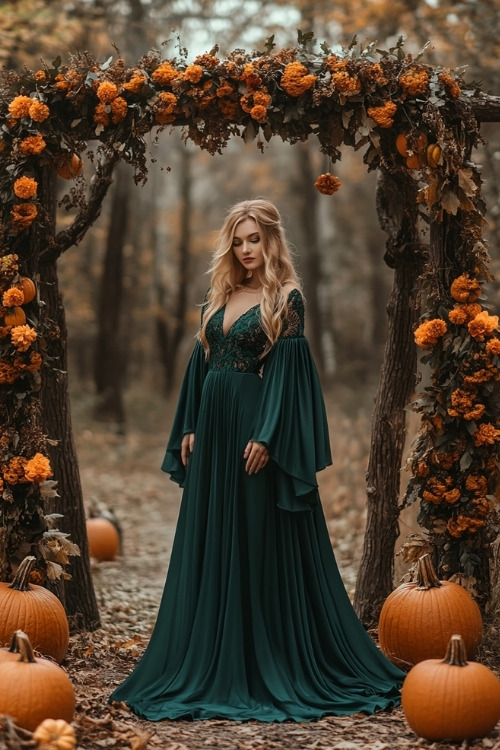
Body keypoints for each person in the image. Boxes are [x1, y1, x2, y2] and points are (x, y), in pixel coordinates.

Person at [110, 198, 404, 722]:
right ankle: (214, 652)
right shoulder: (218, 294)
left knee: (254, 534)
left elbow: (291, 378)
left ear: (272, 240)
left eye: (255, 239)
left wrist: (268, 436)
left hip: (252, 429)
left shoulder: (287, 297)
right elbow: (202, 364)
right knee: (215, 535)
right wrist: (190, 426)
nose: (246, 250)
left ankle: (261, 655)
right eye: (239, 240)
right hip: (213, 431)